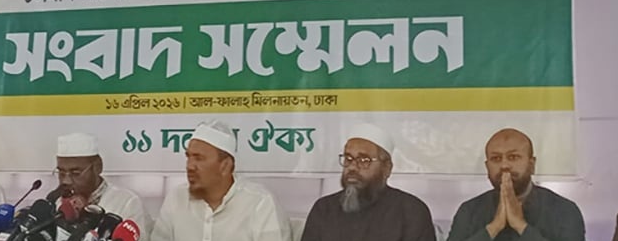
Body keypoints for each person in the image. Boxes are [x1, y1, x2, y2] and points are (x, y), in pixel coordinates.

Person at [151, 120, 290, 241]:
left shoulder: (260, 204)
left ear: (225, 166)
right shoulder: (176, 198)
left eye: (199, 158)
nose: (189, 166)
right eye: (189, 157)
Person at [300, 123, 435, 241]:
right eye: (348, 158)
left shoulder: (411, 212)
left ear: (386, 167)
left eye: (364, 160)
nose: (352, 167)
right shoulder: (324, 209)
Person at [447, 128, 584, 241]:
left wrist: (521, 226)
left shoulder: (564, 210)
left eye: (513, 157)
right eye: (496, 158)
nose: (504, 165)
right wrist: (493, 228)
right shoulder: (469, 210)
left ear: (531, 165)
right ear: (487, 167)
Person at [55, 133, 150, 232]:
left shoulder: (127, 203)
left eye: (75, 173)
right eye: (61, 173)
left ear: (97, 167)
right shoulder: (56, 203)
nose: (66, 181)